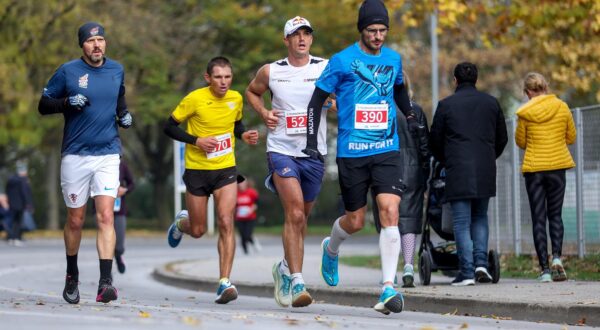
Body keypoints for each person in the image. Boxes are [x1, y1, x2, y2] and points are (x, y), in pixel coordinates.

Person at [303, 0, 422, 315]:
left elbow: (398, 89)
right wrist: (311, 142)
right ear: (362, 30)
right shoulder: (341, 61)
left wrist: (408, 113)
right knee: (355, 221)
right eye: (372, 30)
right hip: (352, 152)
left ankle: (387, 288)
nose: (379, 36)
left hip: (386, 149)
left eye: (383, 30)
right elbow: (315, 102)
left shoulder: (394, 59)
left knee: (390, 211)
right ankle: (332, 248)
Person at [38, 22, 133, 304]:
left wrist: (125, 116)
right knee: (76, 220)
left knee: (106, 216)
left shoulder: (116, 69)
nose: (97, 46)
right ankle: (72, 275)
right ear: (83, 45)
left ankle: (106, 282)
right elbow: (43, 104)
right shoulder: (68, 71)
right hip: (75, 155)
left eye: (101, 40)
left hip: (107, 153)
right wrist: (66, 102)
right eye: (91, 41)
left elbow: (120, 100)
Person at [245, 15, 331, 308]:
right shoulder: (271, 71)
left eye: (307, 33)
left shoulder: (324, 67)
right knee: (294, 214)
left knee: (302, 218)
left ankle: (283, 267)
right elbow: (251, 92)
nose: (302, 39)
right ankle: (297, 281)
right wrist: (263, 112)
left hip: (314, 153)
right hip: (281, 149)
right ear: (287, 41)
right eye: (296, 34)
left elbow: (341, 95)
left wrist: (334, 101)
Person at [164, 56, 259, 305]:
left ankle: (224, 282)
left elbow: (236, 125)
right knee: (198, 230)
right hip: (197, 170)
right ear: (208, 78)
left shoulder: (236, 98)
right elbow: (169, 127)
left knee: (226, 221)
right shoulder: (194, 99)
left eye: (227, 77)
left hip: (225, 168)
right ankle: (181, 223)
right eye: (218, 77)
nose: (224, 82)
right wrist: (196, 141)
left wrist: (244, 134)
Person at [429, 62, 508, 286]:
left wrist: (447, 160)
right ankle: (482, 265)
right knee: (480, 217)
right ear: (476, 79)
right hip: (485, 169)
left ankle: (467, 271)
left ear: (455, 80)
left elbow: (435, 140)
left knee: (461, 222)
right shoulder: (491, 103)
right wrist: (488, 156)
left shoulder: (446, 105)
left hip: (457, 169)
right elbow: (502, 138)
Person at [371, 70, 430, 288]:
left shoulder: (378, 109)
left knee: (388, 221)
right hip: (413, 172)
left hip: (384, 169)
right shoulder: (416, 111)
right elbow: (425, 146)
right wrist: (426, 173)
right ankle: (408, 266)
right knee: (410, 220)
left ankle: (390, 271)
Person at [515, 72, 576, 283]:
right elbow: (571, 137)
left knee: (539, 218)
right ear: (545, 88)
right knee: (555, 215)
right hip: (558, 167)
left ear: (528, 92)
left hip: (534, 170)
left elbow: (521, 142)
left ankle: (544, 270)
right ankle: (557, 258)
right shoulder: (562, 107)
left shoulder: (525, 113)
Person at [5, 163, 34, 246]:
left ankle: (10, 238)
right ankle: (16, 238)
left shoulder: (11, 179)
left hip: (11, 203)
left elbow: (7, 191)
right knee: (18, 222)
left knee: (12, 221)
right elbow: (25, 193)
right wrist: (29, 204)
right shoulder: (23, 180)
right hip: (20, 204)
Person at [113, 161, 135, 274]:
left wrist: (124, 190)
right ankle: (106, 273)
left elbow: (132, 184)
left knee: (119, 244)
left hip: (119, 210)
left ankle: (118, 256)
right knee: (105, 241)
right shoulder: (97, 162)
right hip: (100, 210)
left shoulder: (122, 166)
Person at [235, 178, 259, 255]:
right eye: (239, 183)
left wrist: (251, 209)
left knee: (247, 234)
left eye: (242, 183)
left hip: (250, 217)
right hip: (240, 218)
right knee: (242, 235)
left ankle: (253, 242)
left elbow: (257, 203)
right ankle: (245, 252)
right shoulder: (235, 193)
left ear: (246, 183)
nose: (241, 185)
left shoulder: (252, 192)